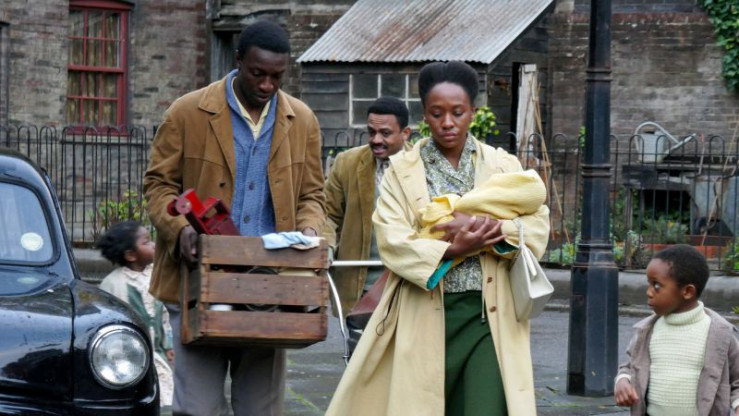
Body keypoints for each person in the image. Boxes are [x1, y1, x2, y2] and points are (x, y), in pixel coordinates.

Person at [326, 61, 550, 416]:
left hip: (488, 316)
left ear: (473, 111)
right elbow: (393, 240)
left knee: (484, 408)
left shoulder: (502, 165)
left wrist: (486, 230)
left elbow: (537, 225)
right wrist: (452, 248)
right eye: (437, 113)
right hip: (423, 313)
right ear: (424, 115)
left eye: (457, 112)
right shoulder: (402, 171)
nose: (447, 122)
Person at [143, 20, 325, 416]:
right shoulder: (187, 112)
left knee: (261, 408)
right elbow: (158, 186)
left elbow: (312, 194)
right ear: (238, 60)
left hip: (269, 286)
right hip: (196, 281)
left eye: (277, 76)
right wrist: (179, 230)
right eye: (257, 73)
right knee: (198, 408)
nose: (267, 85)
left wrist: (310, 232)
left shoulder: (303, 121)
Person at [615, 244, 739, 416]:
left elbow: (737, 381)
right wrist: (622, 381)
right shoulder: (646, 331)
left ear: (687, 291)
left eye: (656, 285)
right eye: (649, 284)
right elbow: (629, 366)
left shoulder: (720, 334)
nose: (648, 292)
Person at [323, 96, 411, 318]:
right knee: (357, 339)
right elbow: (328, 215)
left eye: (385, 133)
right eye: (372, 132)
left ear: (405, 133)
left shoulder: (423, 165)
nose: (376, 140)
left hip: (408, 284)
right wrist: (326, 247)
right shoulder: (347, 163)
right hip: (358, 286)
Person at [95, 221, 174, 407]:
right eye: (146, 242)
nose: (153, 245)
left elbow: (164, 316)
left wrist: (168, 345)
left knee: (165, 397)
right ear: (131, 255)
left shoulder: (156, 276)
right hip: (127, 359)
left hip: (157, 355)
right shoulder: (113, 284)